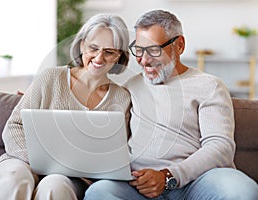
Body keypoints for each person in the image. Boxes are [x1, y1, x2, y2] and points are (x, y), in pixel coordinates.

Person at [84, 10, 258, 200]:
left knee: (241, 191)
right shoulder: (129, 88)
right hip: (138, 185)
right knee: (99, 192)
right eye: (139, 50)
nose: (144, 60)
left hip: (198, 182)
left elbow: (220, 147)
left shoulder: (209, 86)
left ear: (179, 45)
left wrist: (168, 175)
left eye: (154, 50)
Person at [0, 13, 131, 200]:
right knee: (13, 178)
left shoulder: (121, 98)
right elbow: (14, 127)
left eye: (109, 52)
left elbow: (115, 154)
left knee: (55, 186)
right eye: (93, 48)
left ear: (119, 56)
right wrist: (38, 162)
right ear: (82, 45)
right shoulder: (51, 78)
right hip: (23, 161)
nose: (99, 58)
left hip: (72, 177)